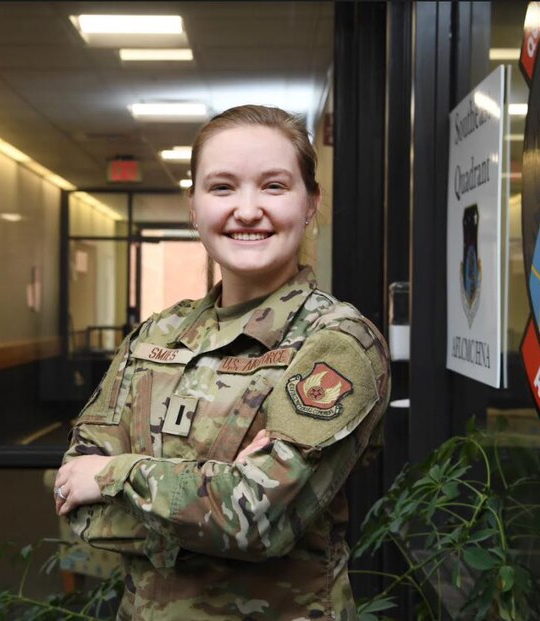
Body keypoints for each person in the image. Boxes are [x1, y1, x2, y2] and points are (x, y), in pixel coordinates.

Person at [55, 104, 390, 621]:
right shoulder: (157, 334)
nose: (248, 209)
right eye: (222, 187)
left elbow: (256, 519)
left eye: (274, 186)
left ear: (311, 203)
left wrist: (114, 476)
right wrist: (208, 495)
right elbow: (74, 500)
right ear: (193, 207)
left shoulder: (337, 344)